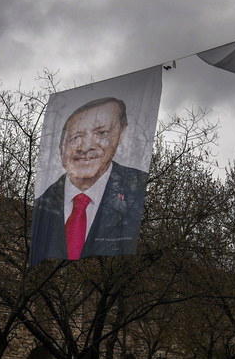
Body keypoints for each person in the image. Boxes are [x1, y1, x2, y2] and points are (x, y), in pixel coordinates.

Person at [31, 97, 148, 264]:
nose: (86, 147)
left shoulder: (141, 188)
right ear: (61, 150)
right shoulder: (42, 206)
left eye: (101, 133)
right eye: (75, 137)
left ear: (122, 133)